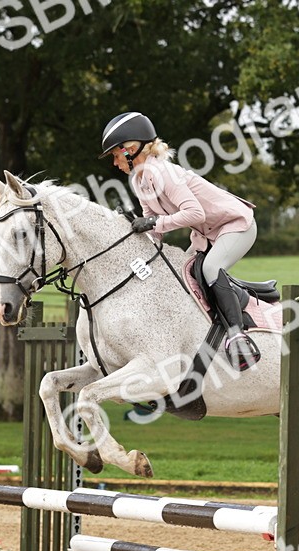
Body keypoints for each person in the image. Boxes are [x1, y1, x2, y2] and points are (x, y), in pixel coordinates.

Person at [99, 111, 261, 371]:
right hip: (206, 235)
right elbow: (153, 227)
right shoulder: (140, 180)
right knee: (180, 275)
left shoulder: (164, 173)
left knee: (210, 269)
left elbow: (193, 213)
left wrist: (153, 224)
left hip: (235, 225)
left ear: (130, 149)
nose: (115, 163)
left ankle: (237, 337)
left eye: (116, 156)